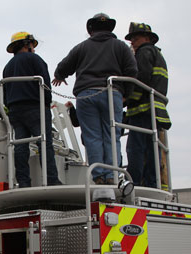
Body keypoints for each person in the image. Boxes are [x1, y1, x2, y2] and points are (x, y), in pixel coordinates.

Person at [53, 13, 137, 185]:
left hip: (86, 95)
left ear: (91, 29)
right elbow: (132, 71)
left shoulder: (82, 47)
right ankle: (112, 176)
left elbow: (63, 67)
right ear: (110, 28)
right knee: (112, 135)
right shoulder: (121, 47)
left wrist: (60, 76)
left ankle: (98, 175)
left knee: (92, 136)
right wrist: (125, 94)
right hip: (112, 93)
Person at [3, 31, 62, 188]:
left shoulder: (7, 67)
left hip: (15, 110)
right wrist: (47, 104)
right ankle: (51, 180)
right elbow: (45, 84)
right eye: (32, 45)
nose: (34, 49)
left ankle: (23, 182)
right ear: (27, 45)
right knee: (44, 143)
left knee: (20, 146)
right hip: (35, 107)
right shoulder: (35, 59)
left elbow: (4, 93)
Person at [124, 22, 172, 188]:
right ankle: (151, 183)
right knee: (152, 149)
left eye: (135, 38)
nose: (132, 42)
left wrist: (126, 99)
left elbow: (140, 80)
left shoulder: (144, 52)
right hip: (153, 111)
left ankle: (134, 182)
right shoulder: (157, 55)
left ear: (147, 38)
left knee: (135, 148)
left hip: (141, 110)